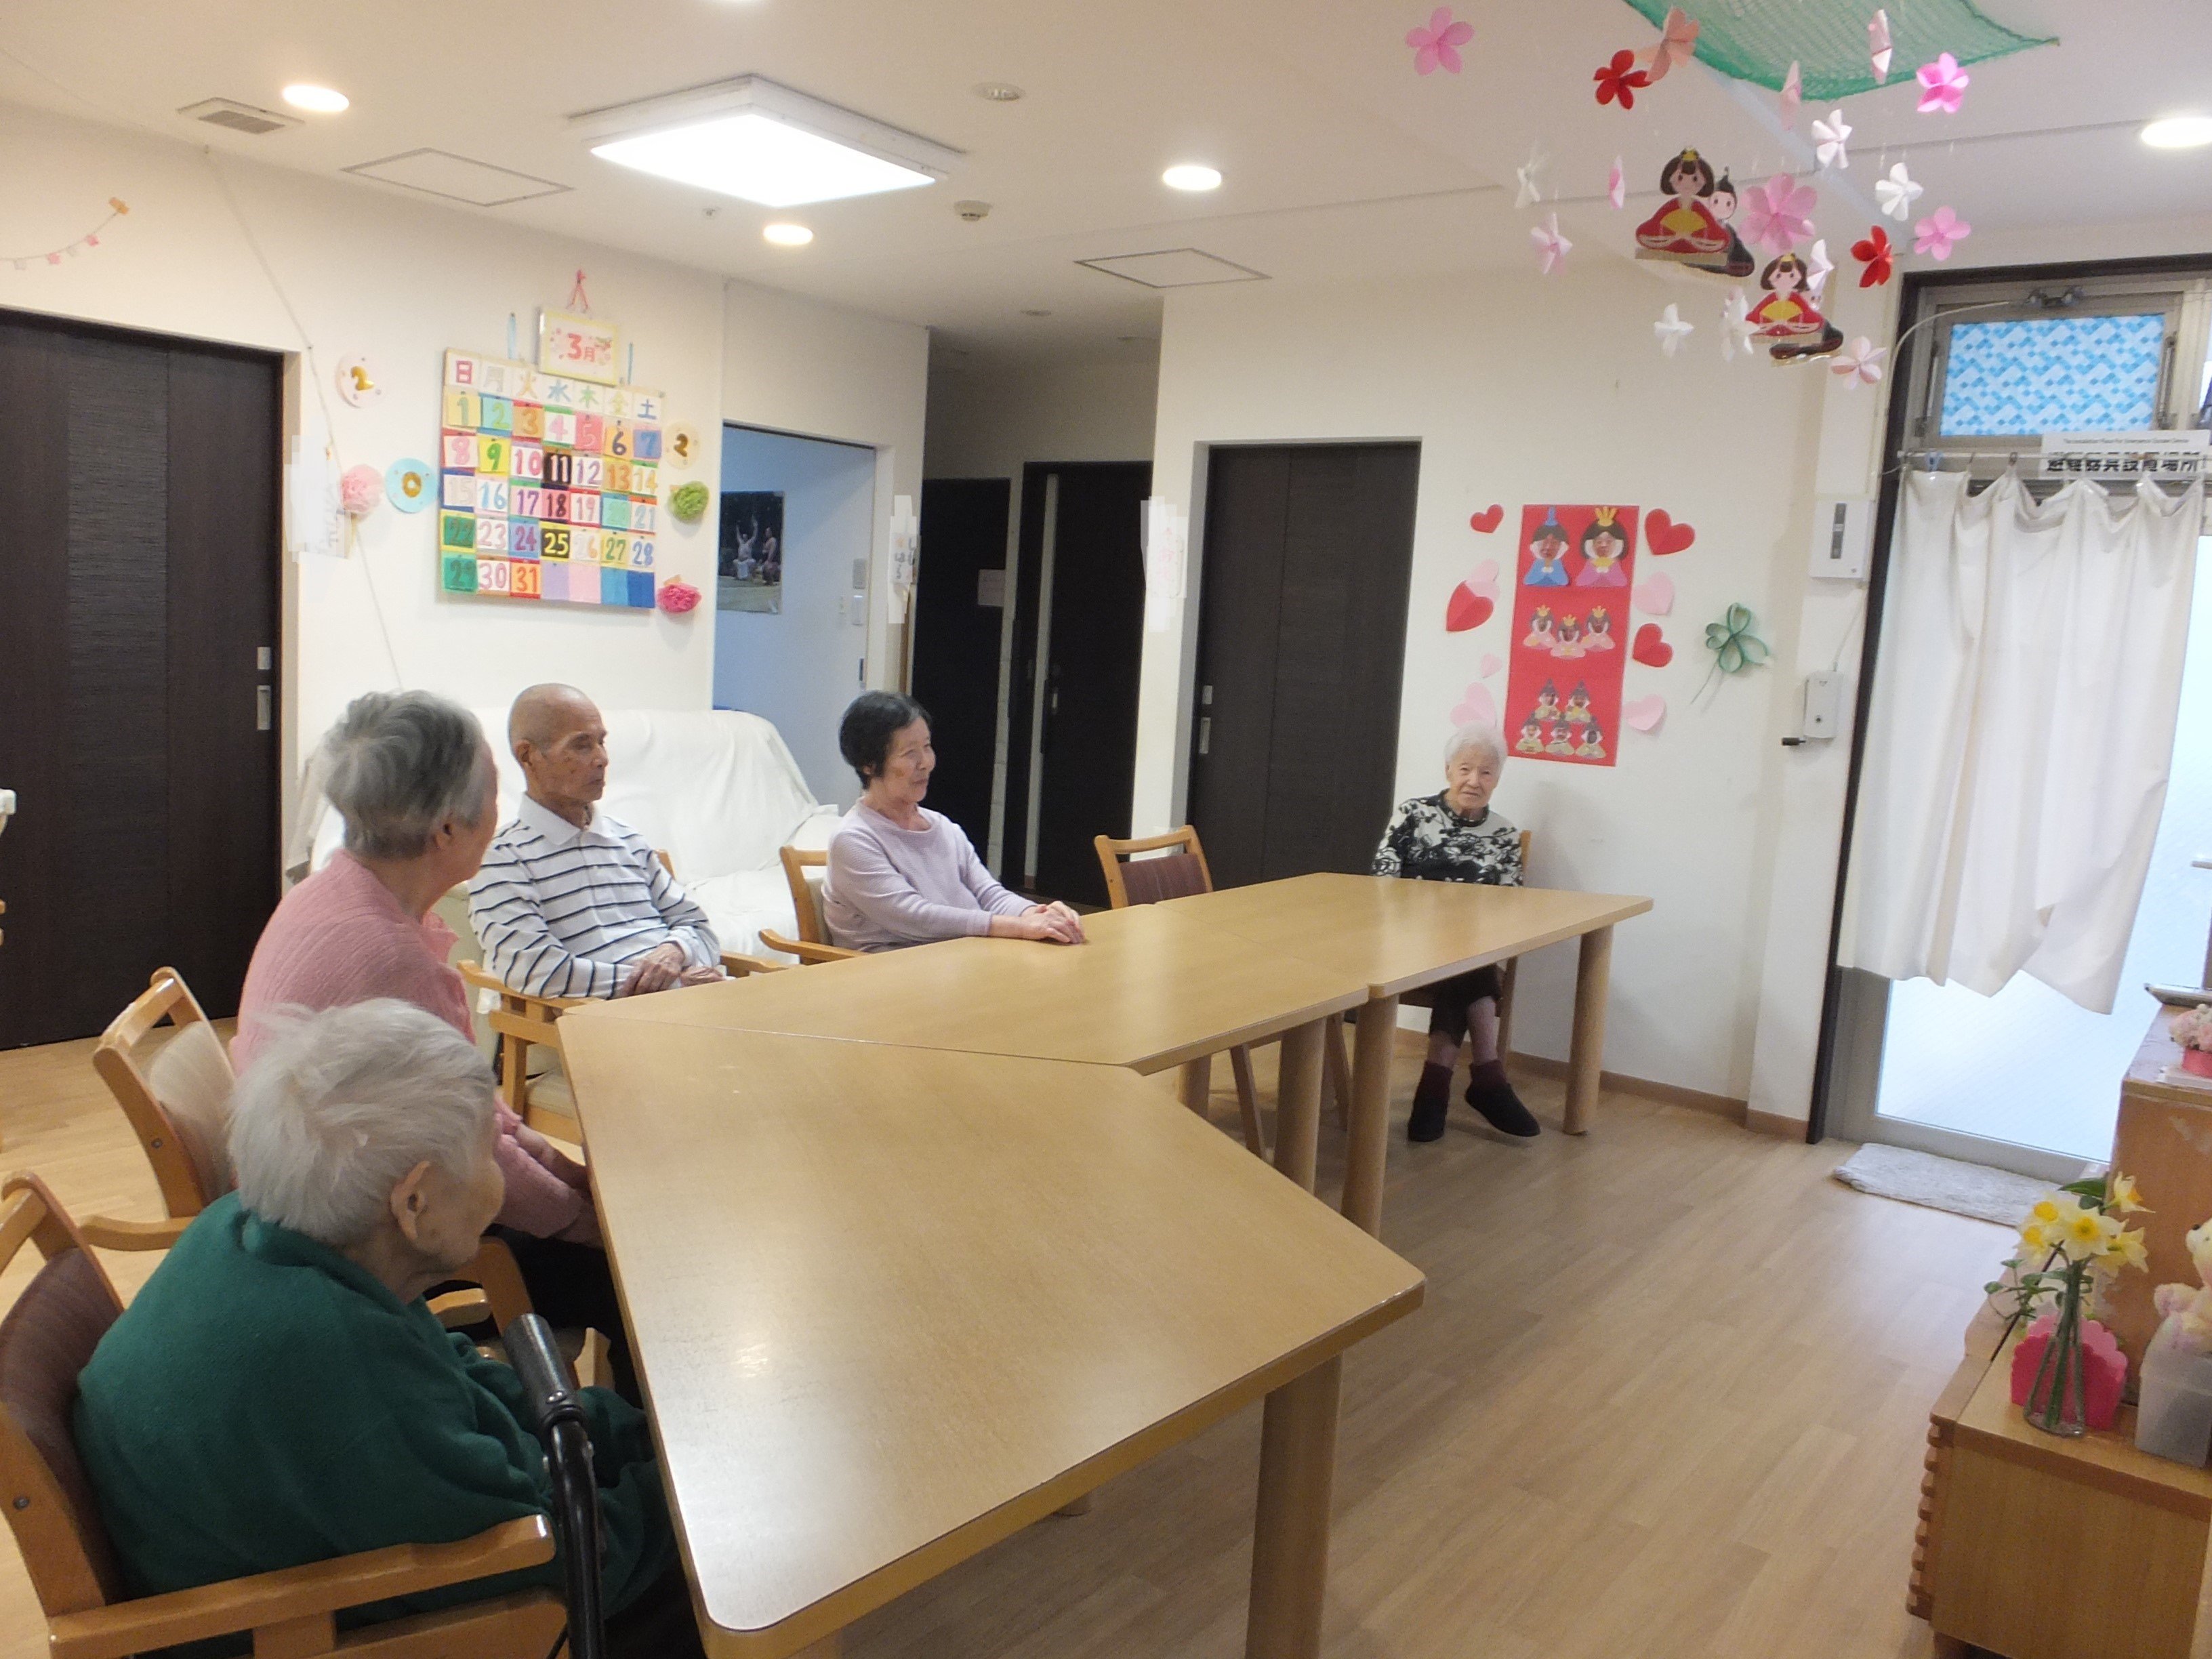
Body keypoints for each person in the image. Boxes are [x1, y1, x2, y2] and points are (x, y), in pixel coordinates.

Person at [73, 1002, 701, 1658]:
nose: (499, 1180)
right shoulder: (339, 1367)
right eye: (489, 1154)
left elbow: (455, 1375)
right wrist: (688, 1490)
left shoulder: (248, 1230)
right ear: (415, 1203)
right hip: (300, 1630)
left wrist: (639, 1435)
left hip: (280, 1551)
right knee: (705, 1590)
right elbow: (561, 1566)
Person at [238, 690, 632, 1394]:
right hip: (359, 1228)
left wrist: (571, 1177)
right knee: (641, 1279)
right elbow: (476, 1155)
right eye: (494, 793)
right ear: (449, 829)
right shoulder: (387, 955)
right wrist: (583, 1220)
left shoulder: (340, 891)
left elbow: (476, 1113)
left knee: (618, 1227)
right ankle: (640, 1449)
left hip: (354, 1182)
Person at [470, 683, 724, 998]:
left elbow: (701, 929)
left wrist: (673, 951)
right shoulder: (501, 859)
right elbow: (537, 971)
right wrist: (671, 983)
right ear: (528, 756)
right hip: (620, 1015)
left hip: (694, 998)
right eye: (581, 746)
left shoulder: (628, 840)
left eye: (601, 742)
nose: (602, 759)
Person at [1370, 724, 1540, 1143]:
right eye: (1465, 769)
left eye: (1486, 772)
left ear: (1497, 779)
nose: (1474, 781)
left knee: (1464, 961)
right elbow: (1381, 881)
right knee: (1467, 966)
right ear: (1448, 770)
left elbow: (1511, 904)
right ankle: (1487, 1077)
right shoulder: (1414, 815)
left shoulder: (1504, 834)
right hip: (1408, 943)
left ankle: (1435, 1093)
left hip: (1469, 948)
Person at [822, 691, 1084, 951]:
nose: (926, 763)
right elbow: (914, 917)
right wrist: (1018, 927)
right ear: (869, 764)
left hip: (958, 958)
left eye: (927, 747)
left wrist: (1035, 913)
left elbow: (989, 894)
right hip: (893, 968)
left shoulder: (943, 828)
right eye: (910, 753)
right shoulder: (853, 839)